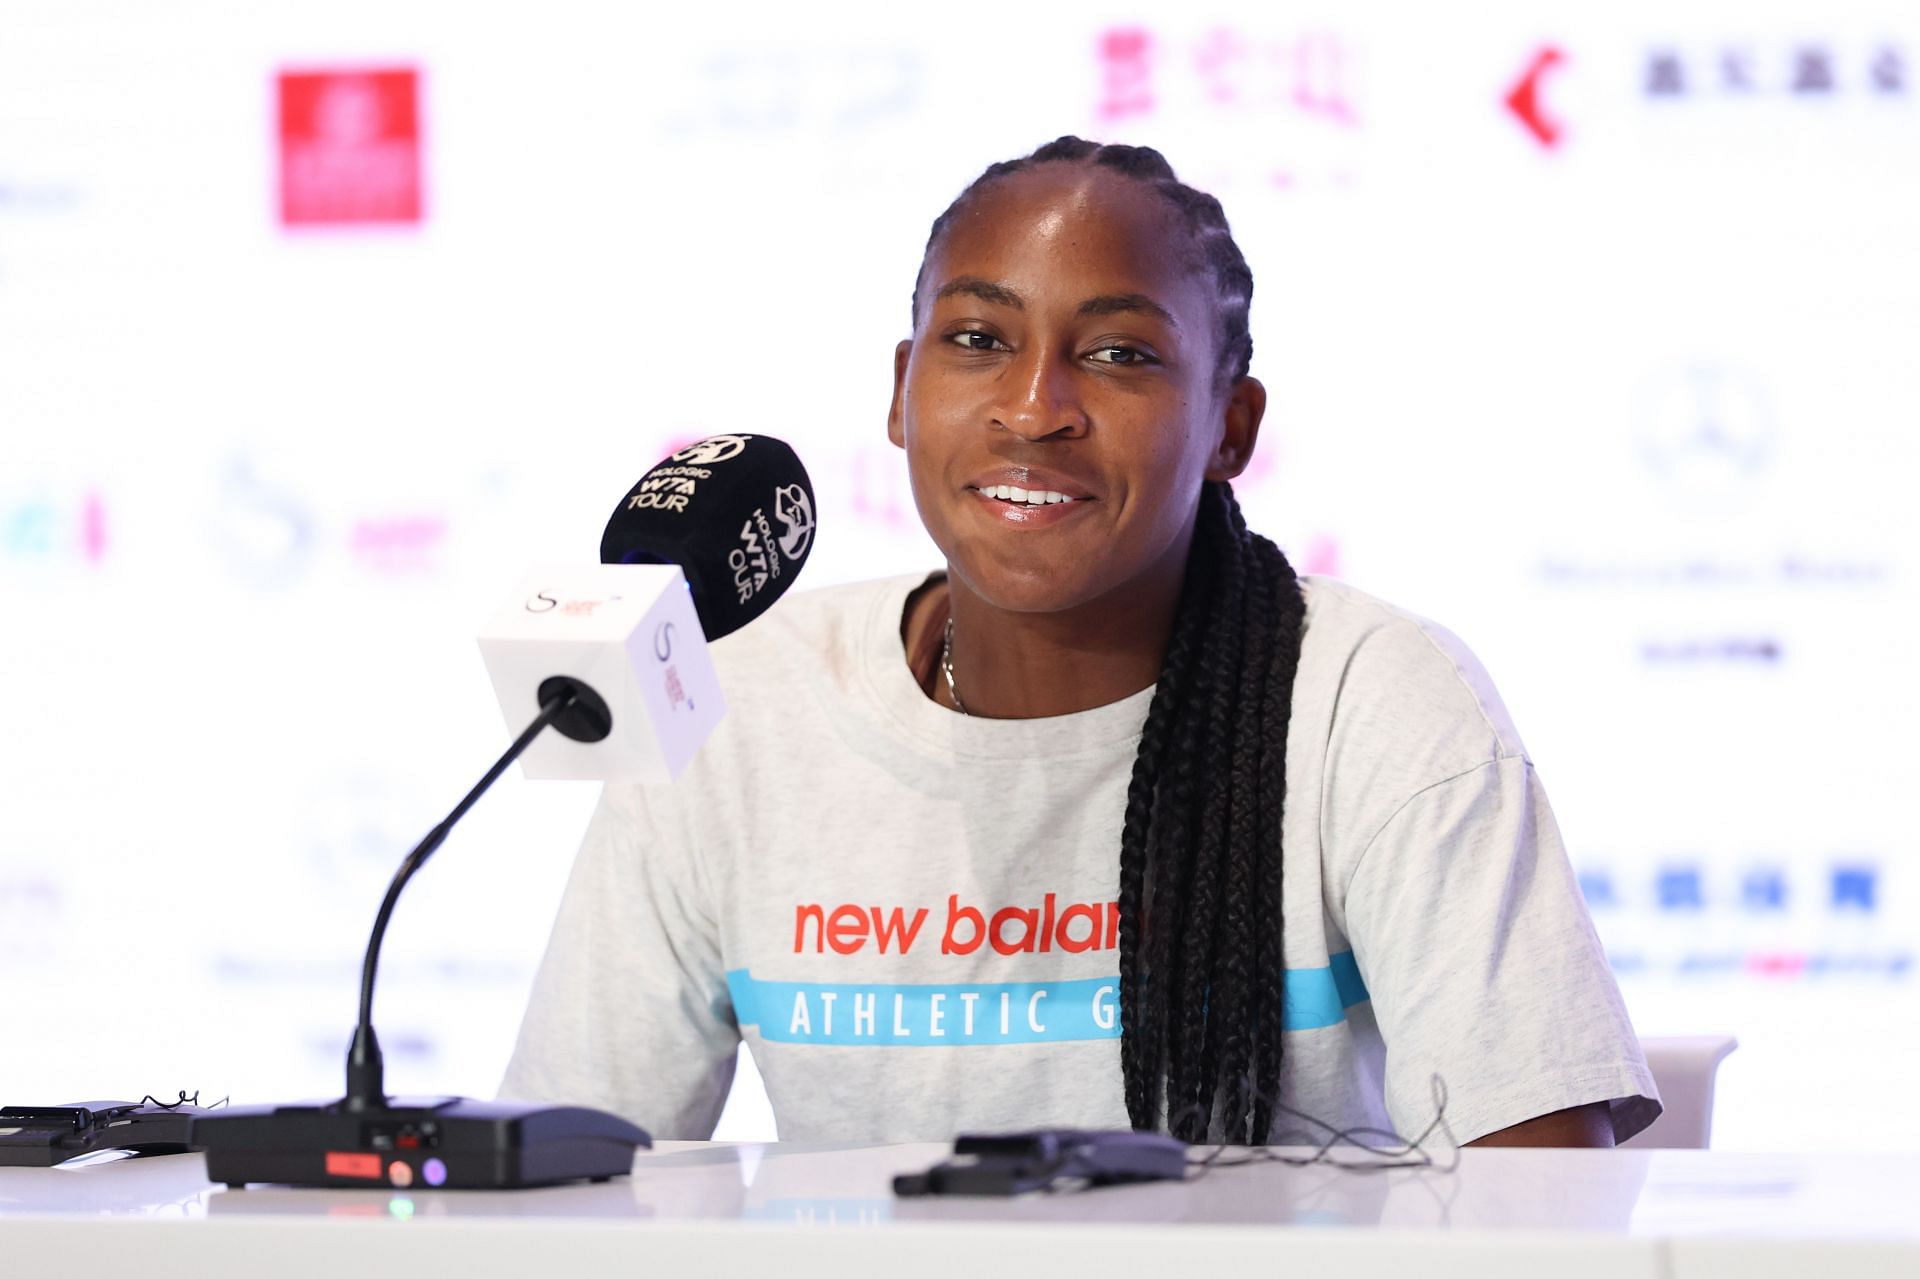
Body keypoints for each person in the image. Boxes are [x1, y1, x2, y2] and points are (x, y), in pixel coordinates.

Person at [501, 137, 1660, 1148]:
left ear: (1229, 426)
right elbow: (573, 1178)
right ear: (903, 394)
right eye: (975, 338)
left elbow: (1541, 1207)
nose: (1034, 404)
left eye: (1119, 355)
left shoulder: (1370, 703)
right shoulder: (738, 709)